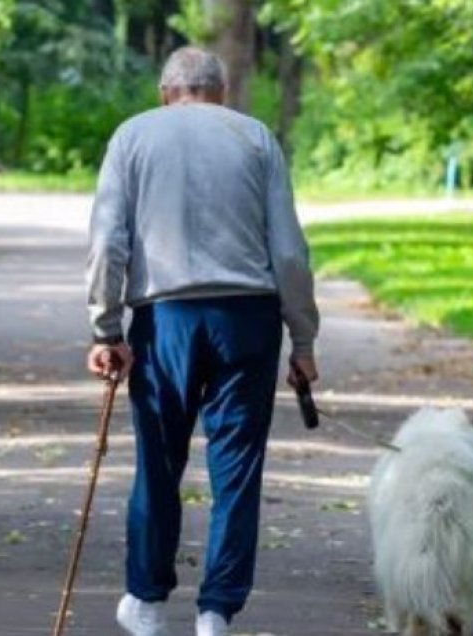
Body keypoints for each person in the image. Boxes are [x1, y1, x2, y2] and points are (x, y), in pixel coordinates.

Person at [85, 46, 319, 636]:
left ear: (167, 92)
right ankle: (215, 612)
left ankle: (146, 602)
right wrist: (303, 339)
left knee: (158, 464)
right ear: (221, 91)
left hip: (165, 321)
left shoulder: (132, 137)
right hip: (248, 320)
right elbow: (288, 250)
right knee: (236, 470)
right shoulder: (257, 139)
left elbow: (107, 241)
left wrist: (106, 329)